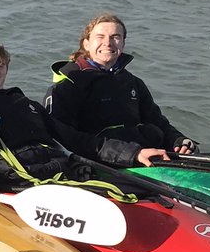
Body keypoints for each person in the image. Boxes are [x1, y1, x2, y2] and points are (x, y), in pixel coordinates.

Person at [0, 43, 169, 189]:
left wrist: (134, 152)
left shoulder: (25, 104)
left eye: (0, 65)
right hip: (17, 180)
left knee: (138, 188)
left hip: (58, 170)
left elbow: (74, 139)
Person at [45, 13, 198, 156]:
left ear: (123, 44)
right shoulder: (67, 85)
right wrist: (130, 154)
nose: (108, 43)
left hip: (142, 156)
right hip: (99, 162)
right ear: (86, 44)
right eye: (100, 37)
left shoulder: (132, 83)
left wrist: (178, 140)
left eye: (115, 37)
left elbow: (157, 121)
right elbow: (63, 140)